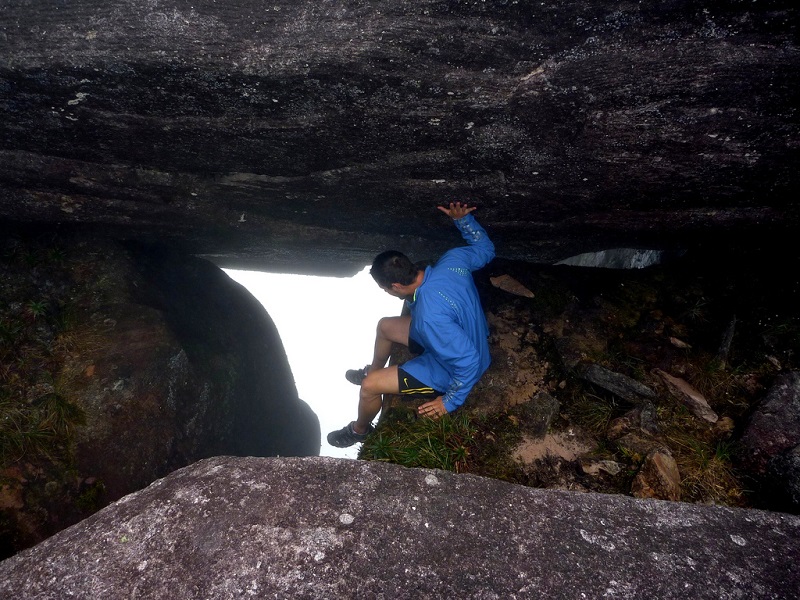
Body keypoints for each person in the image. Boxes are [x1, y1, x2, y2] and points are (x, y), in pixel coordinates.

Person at [327, 201, 495, 448]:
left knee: (369, 388)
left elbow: (469, 360)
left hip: (450, 366)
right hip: (462, 332)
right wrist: (463, 220)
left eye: (384, 289)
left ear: (395, 286)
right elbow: (485, 248)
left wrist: (449, 402)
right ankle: (373, 368)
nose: (386, 292)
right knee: (384, 326)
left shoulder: (429, 318)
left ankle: (359, 430)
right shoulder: (452, 261)